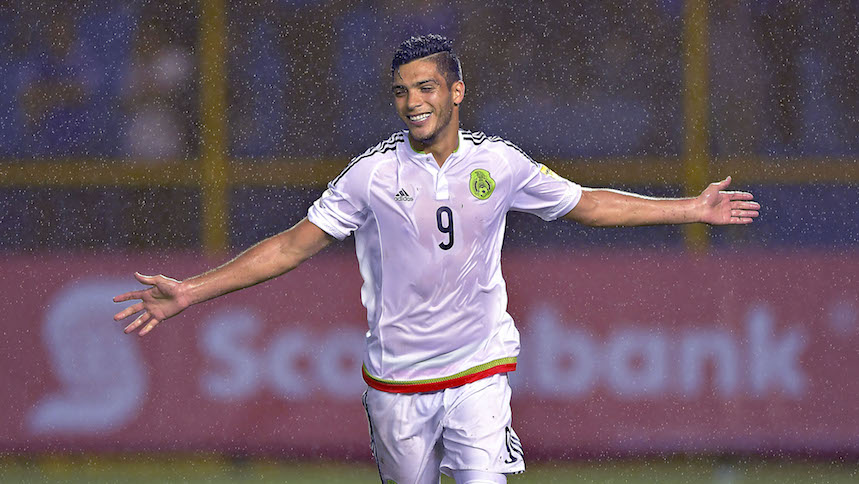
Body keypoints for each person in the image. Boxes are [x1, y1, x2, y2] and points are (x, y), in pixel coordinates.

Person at [113, 34, 760, 484]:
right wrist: (193, 292)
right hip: (396, 384)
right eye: (401, 91)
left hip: (479, 373)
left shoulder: (499, 163)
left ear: (456, 91)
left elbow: (586, 203)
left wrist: (688, 209)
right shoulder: (369, 175)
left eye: (425, 87)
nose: (413, 101)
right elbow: (289, 246)